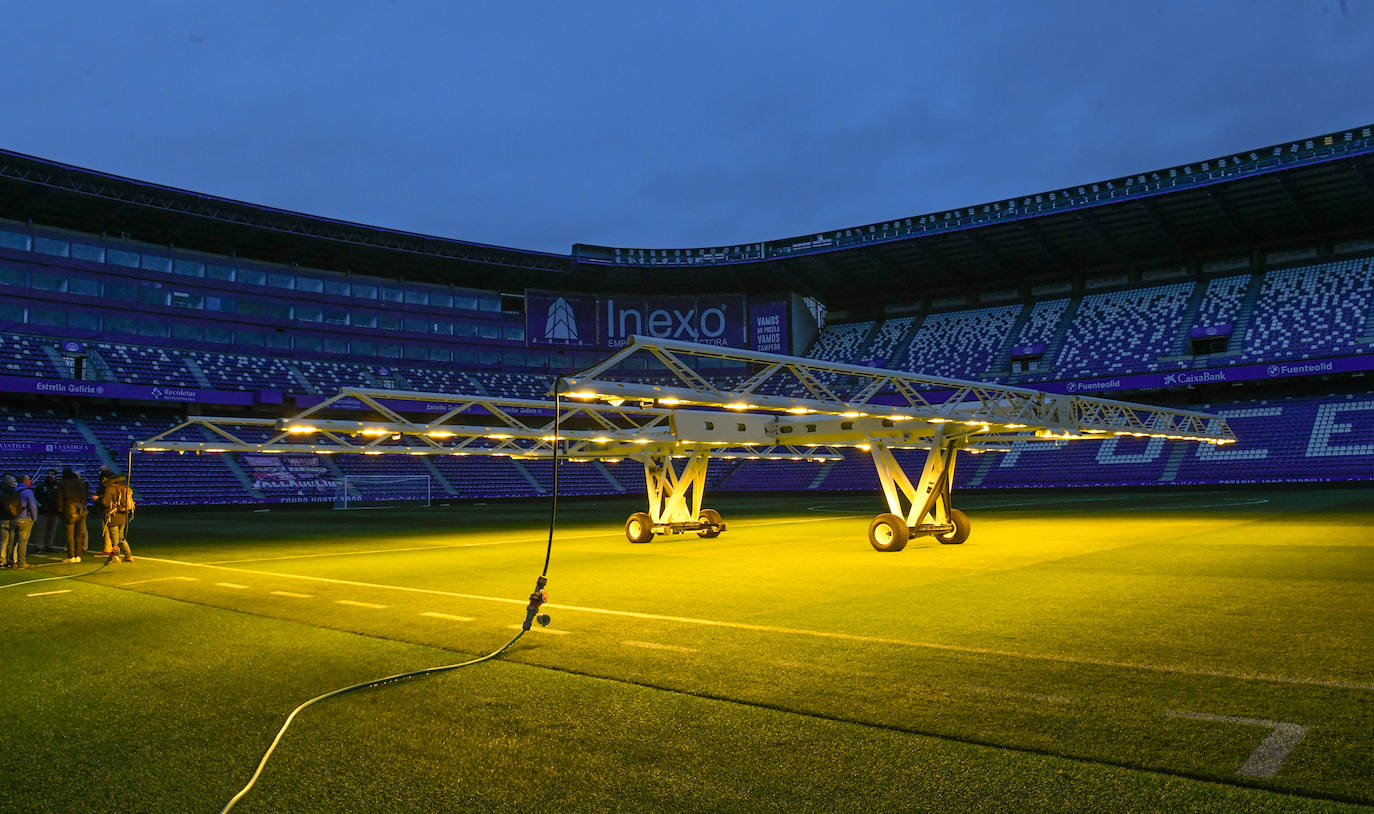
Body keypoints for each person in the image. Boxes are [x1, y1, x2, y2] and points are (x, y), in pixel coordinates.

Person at [96, 467, 135, 563]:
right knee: (122, 537)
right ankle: (128, 555)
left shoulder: (111, 488)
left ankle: (116, 556)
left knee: (115, 538)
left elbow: (105, 502)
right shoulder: (126, 488)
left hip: (113, 515)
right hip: (124, 515)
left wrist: (98, 499)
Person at [57, 468, 90, 564]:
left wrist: (60, 511)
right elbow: (85, 496)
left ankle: (71, 556)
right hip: (81, 509)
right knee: (79, 534)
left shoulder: (63, 484)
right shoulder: (80, 483)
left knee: (70, 534)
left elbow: (60, 499)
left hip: (69, 509)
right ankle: (78, 555)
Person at [0, 475, 25, 568]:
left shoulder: (1, 494)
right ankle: (12, 559)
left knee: (3, 541)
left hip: (3, 519)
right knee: (13, 541)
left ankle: (2, 559)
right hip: (13, 519)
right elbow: (19, 506)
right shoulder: (16, 494)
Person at [33, 470, 60, 553]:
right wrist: (39, 505)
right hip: (43, 511)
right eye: (49, 474)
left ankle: (48, 545)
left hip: (54, 512)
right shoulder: (41, 486)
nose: (50, 476)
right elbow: (35, 497)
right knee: (41, 529)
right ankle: (39, 546)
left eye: (52, 474)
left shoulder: (58, 486)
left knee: (51, 530)